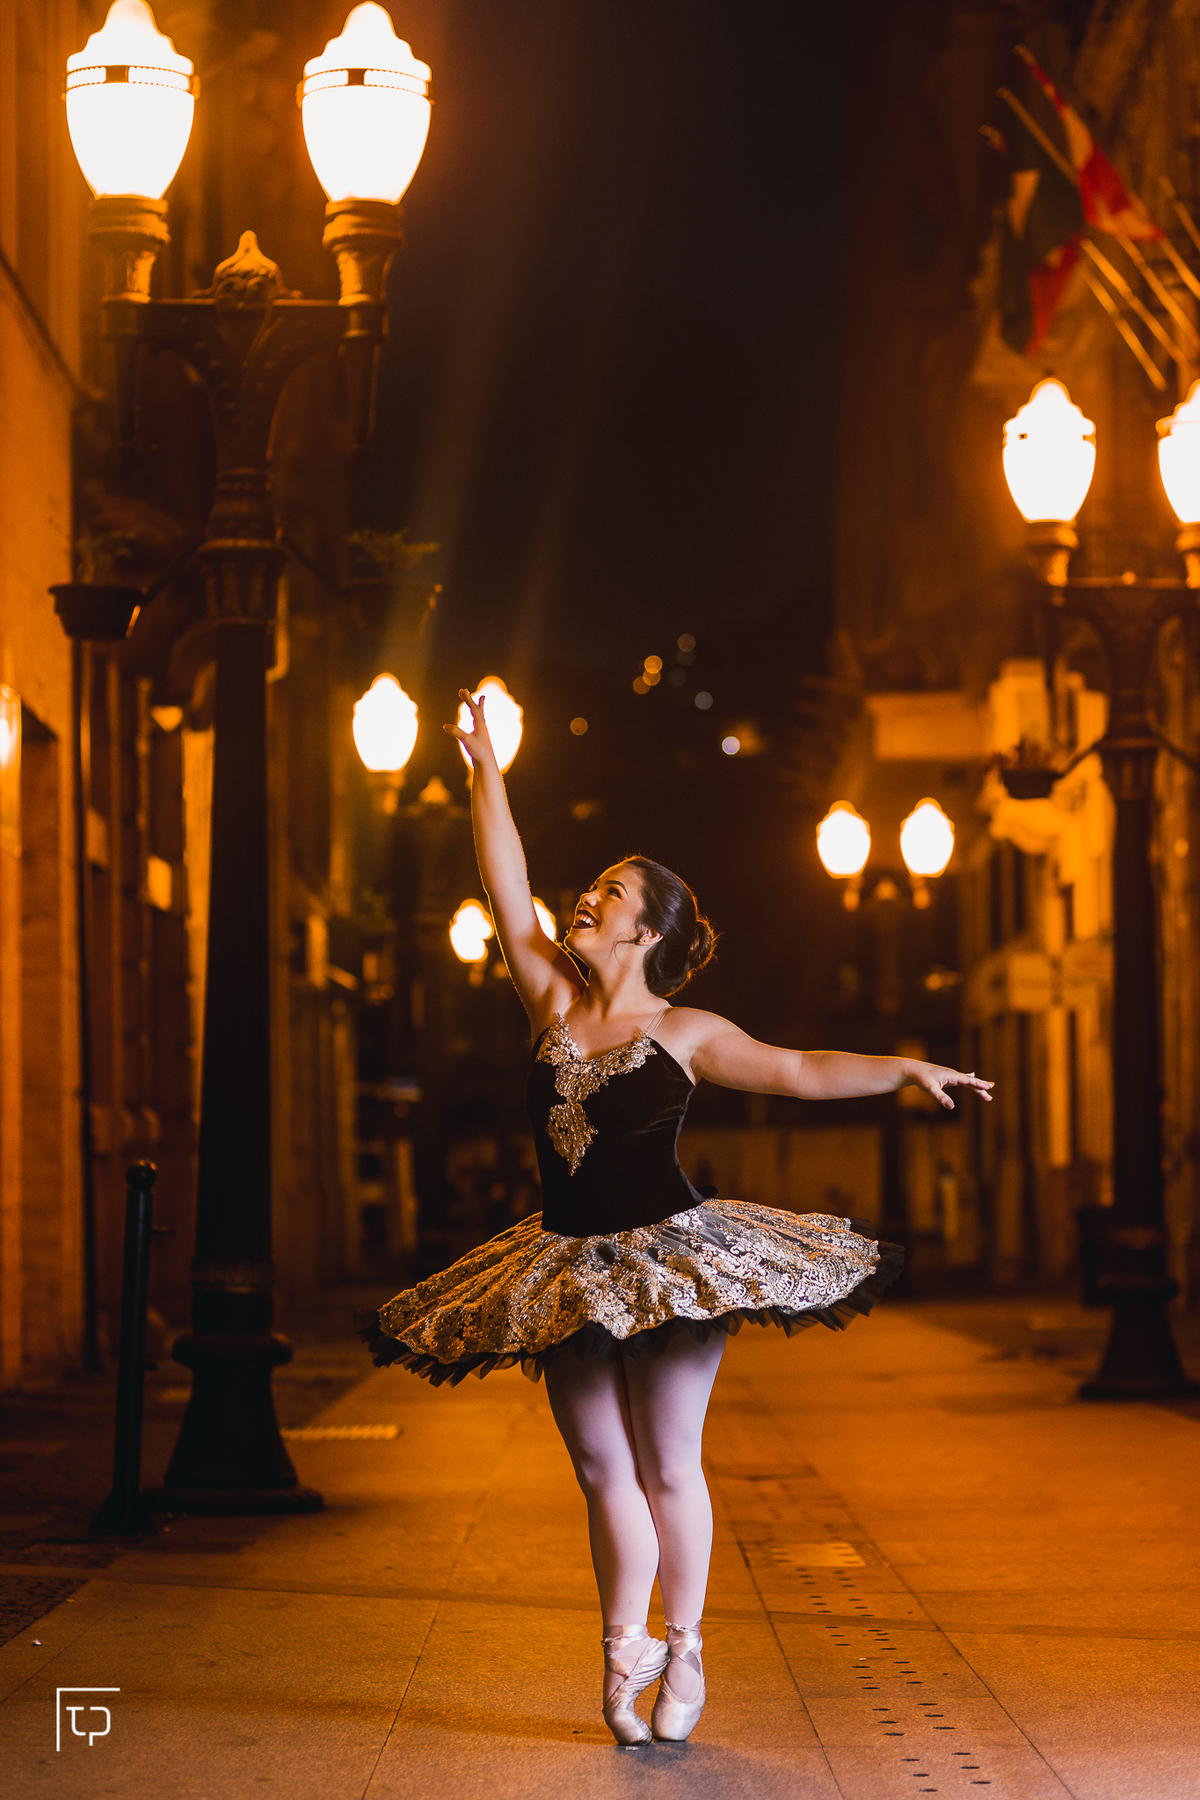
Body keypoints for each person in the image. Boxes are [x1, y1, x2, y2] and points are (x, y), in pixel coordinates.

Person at [364, 689, 993, 1747]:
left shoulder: (685, 1029)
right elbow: (505, 887)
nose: (586, 898)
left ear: (644, 927)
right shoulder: (550, 1003)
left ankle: (686, 1643)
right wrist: (485, 769)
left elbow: (796, 1067)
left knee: (665, 1463)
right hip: (563, 1260)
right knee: (599, 1468)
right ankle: (623, 1656)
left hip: (668, 1262)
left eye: (607, 893)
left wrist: (905, 1069)